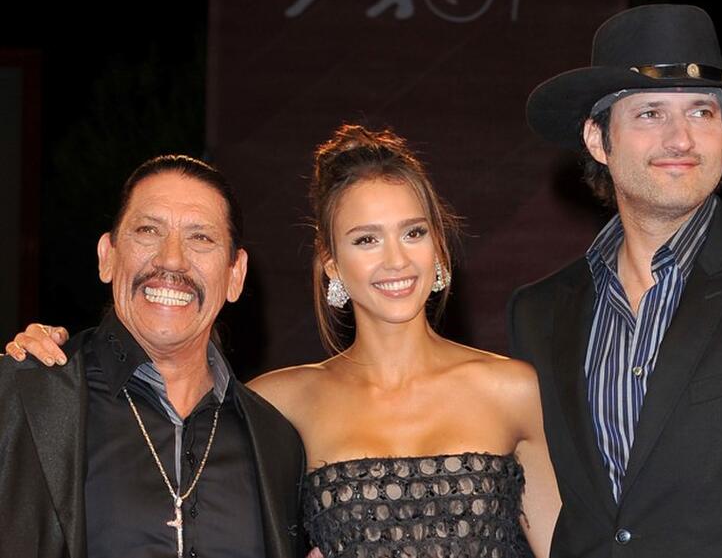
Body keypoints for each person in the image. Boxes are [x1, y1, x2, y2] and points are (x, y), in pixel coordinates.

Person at [8, 126, 561, 557]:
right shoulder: (275, 407)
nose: (395, 260)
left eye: (413, 232)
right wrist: (43, 366)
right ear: (331, 264)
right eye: (366, 238)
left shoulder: (512, 390)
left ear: (439, 248)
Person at [508, 4, 722, 557]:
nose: (682, 139)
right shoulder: (538, 313)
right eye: (651, 113)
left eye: (702, 112)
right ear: (597, 140)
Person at [0, 155, 304, 558]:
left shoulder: (277, 443)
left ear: (235, 275)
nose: (171, 260)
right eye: (148, 230)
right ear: (107, 256)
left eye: (201, 238)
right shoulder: (21, 400)